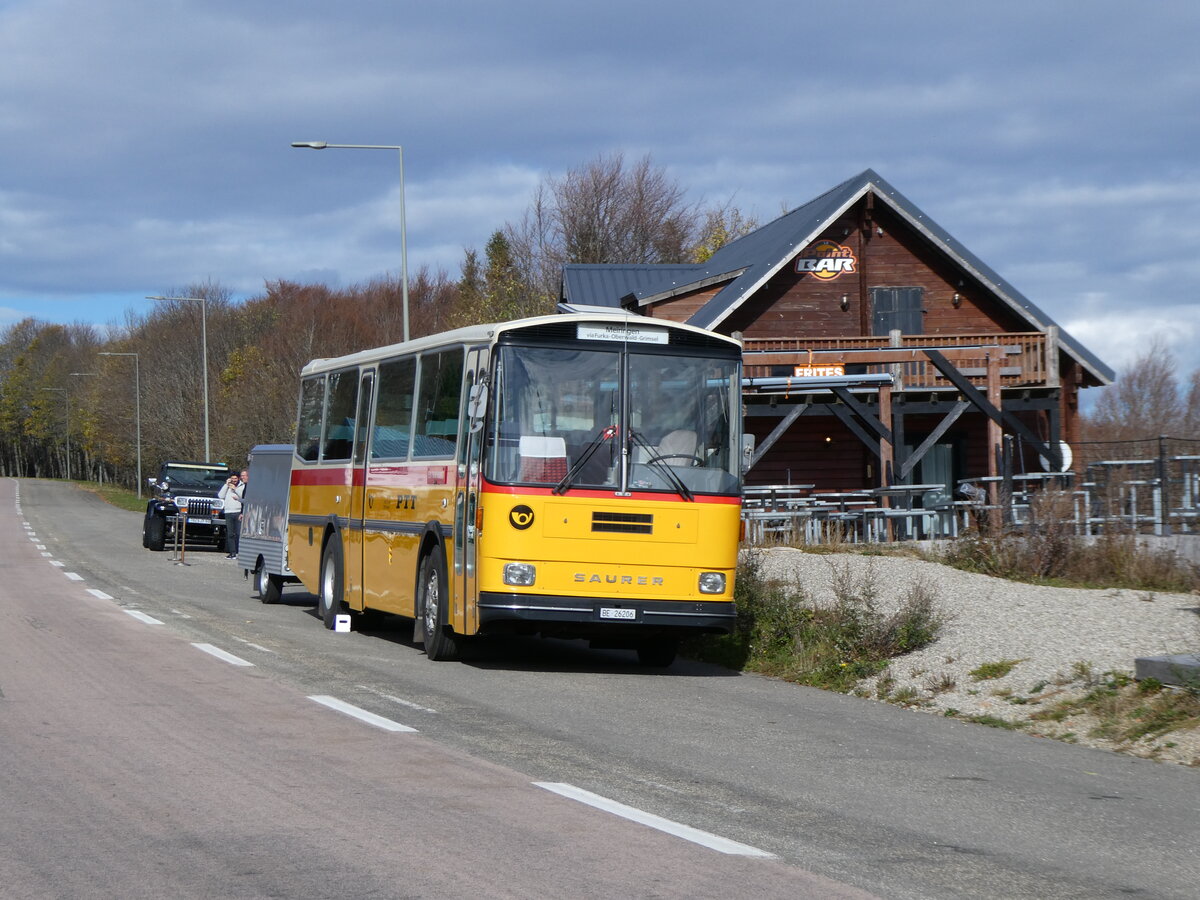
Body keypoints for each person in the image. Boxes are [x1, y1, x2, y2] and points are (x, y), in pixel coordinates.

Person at [219, 469, 247, 559]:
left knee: (238, 533)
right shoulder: (227, 486)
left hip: (238, 511)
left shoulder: (242, 486)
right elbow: (220, 495)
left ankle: (239, 552)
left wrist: (235, 489)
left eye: (235, 478)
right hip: (228, 512)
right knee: (230, 534)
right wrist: (226, 485)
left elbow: (243, 496)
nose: (234, 480)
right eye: (232, 478)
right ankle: (232, 552)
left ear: (238, 478)